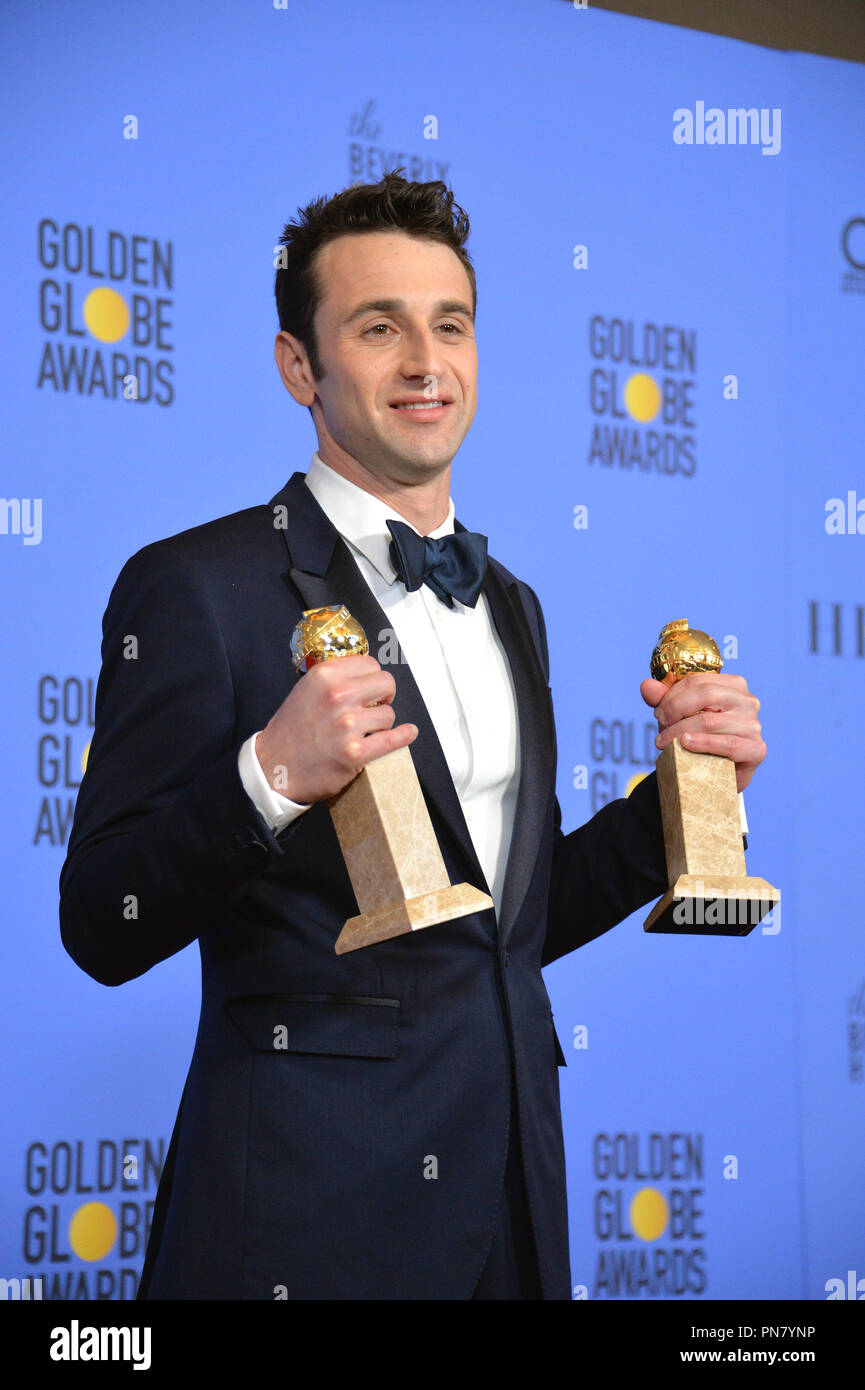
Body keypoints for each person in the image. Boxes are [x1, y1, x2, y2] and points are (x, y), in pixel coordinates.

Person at [58, 169, 767, 1300]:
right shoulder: (195, 587)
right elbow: (102, 920)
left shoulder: (512, 604)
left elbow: (502, 929)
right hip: (305, 1217)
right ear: (301, 366)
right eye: (377, 328)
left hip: (513, 1202)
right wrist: (269, 775)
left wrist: (685, 796)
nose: (424, 362)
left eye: (450, 326)